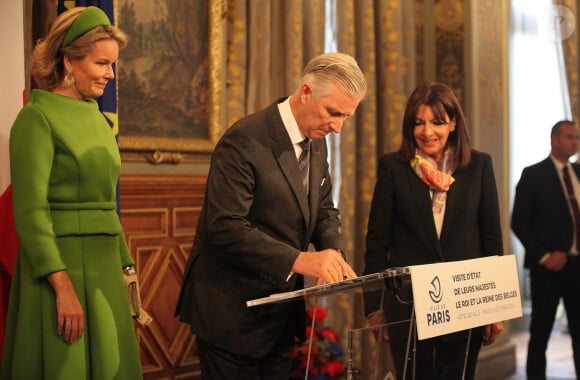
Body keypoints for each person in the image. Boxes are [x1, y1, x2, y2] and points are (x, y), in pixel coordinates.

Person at [174, 52, 365, 379]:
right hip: (232, 313)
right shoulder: (245, 140)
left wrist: (332, 252)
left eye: (346, 117)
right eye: (333, 113)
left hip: (279, 316)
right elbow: (224, 227)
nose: (337, 127)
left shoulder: (317, 142)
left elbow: (323, 206)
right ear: (306, 92)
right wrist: (300, 260)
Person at [1, 7, 142, 380]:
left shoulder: (97, 117)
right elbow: (30, 212)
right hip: (58, 273)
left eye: (112, 64)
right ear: (69, 60)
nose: (110, 75)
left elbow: (105, 200)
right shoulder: (37, 117)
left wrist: (126, 265)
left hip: (104, 270)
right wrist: (61, 286)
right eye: (101, 63)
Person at [363, 82, 504, 379]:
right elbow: (377, 242)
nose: (427, 132)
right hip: (407, 306)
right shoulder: (393, 167)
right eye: (419, 122)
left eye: (437, 122)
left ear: (453, 123)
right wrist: (374, 308)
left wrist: (496, 306)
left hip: (467, 302)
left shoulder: (479, 166)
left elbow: (491, 240)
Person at [511, 119, 580, 380]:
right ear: (554, 140)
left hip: (577, 266)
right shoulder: (534, 174)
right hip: (548, 268)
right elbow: (518, 221)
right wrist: (544, 255)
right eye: (570, 137)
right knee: (540, 333)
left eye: (576, 137)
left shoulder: (578, 171)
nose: (575, 141)